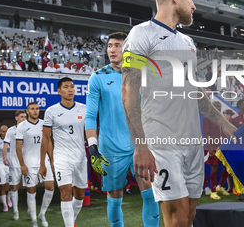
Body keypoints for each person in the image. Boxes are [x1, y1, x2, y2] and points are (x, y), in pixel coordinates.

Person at [120, 0, 236, 227]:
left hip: (192, 142)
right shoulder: (141, 34)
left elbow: (195, 92)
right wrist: (140, 146)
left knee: (191, 215)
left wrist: (225, 125)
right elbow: (129, 91)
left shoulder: (188, 43)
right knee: (177, 218)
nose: (194, 6)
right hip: (162, 142)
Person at [85, 32, 160, 227]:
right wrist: (93, 147)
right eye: (110, 45)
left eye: (117, 45)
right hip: (110, 149)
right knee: (114, 197)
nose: (112, 49)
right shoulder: (97, 77)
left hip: (139, 146)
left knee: (150, 193)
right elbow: (91, 116)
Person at [40, 77, 87, 227]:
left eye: (72, 86)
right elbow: (46, 138)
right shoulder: (51, 111)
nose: (70, 89)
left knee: (79, 195)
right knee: (66, 193)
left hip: (80, 158)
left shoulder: (84, 108)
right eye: (66, 87)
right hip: (61, 158)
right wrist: (43, 162)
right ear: (59, 91)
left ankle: (71, 222)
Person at [16, 102, 55, 227]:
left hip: (44, 162)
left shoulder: (45, 124)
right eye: (32, 109)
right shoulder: (22, 126)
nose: (35, 111)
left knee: (50, 187)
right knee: (31, 190)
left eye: (37, 109)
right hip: (29, 163)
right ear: (27, 111)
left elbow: (48, 142)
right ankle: (34, 220)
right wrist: (22, 164)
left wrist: (52, 159)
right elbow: (18, 147)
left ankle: (42, 214)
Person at [203, 102, 230, 200]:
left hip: (222, 146)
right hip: (212, 147)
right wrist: (209, 148)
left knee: (227, 166)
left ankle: (220, 186)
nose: (218, 108)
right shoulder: (207, 118)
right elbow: (206, 134)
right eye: (216, 106)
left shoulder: (221, 119)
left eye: (219, 106)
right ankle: (213, 191)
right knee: (214, 168)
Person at [3, 110, 27, 220]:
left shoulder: (29, 129)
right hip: (14, 163)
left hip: (28, 163)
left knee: (31, 187)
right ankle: (16, 212)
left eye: (25, 117)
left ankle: (30, 210)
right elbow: (6, 144)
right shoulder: (11, 130)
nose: (24, 118)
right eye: (22, 116)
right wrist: (4, 157)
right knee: (14, 186)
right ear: (16, 118)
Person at [229, 99, 244, 201]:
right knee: (237, 170)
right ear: (240, 106)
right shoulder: (234, 118)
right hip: (236, 148)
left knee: (243, 169)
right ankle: (238, 193)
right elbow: (228, 132)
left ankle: (242, 190)